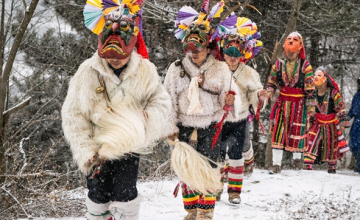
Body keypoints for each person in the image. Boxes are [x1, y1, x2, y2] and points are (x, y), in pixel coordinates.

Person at [62, 1, 171, 219]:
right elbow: (74, 114)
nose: (115, 59)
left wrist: (147, 119)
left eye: (120, 56)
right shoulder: (87, 72)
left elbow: (160, 101)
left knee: (125, 196)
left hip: (128, 146)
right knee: (98, 196)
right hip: (97, 149)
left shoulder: (145, 70)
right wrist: (85, 149)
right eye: (110, 56)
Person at [164, 1, 236, 219]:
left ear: (208, 47)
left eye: (199, 49)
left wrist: (229, 101)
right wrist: (169, 127)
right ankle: (191, 211)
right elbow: (168, 100)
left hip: (211, 126)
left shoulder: (221, 69)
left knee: (208, 169)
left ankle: (206, 213)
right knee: (187, 170)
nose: (193, 54)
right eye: (190, 49)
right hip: (184, 127)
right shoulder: (176, 69)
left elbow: (228, 101)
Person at [213, 15, 267, 204]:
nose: (233, 59)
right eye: (229, 54)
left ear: (242, 55)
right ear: (223, 52)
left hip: (239, 120)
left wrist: (260, 96)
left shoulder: (249, 73)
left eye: (236, 55)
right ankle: (216, 188)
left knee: (236, 154)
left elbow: (254, 93)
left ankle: (235, 192)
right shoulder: (216, 69)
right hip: (219, 119)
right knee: (217, 154)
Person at [266, 31, 315, 174]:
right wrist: (269, 91)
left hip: (299, 103)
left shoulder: (305, 66)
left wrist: (311, 107)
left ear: (300, 49)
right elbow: (272, 81)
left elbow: (310, 89)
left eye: (293, 52)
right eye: (288, 52)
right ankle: (276, 164)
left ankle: (297, 161)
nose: (290, 54)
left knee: (297, 130)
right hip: (282, 102)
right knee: (278, 131)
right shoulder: (278, 64)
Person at [303, 67, 350, 173]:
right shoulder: (312, 93)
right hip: (317, 122)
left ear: (325, 79)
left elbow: (340, 107)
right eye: (314, 75)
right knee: (311, 139)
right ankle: (307, 165)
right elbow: (309, 109)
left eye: (319, 75)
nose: (315, 77)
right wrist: (308, 122)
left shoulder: (333, 93)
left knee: (331, 143)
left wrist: (342, 124)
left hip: (331, 122)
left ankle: (332, 167)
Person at [348, 77, 360, 174]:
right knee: (353, 145)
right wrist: (346, 119)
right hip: (357, 124)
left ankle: (358, 166)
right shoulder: (357, 95)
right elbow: (352, 110)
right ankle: (358, 164)